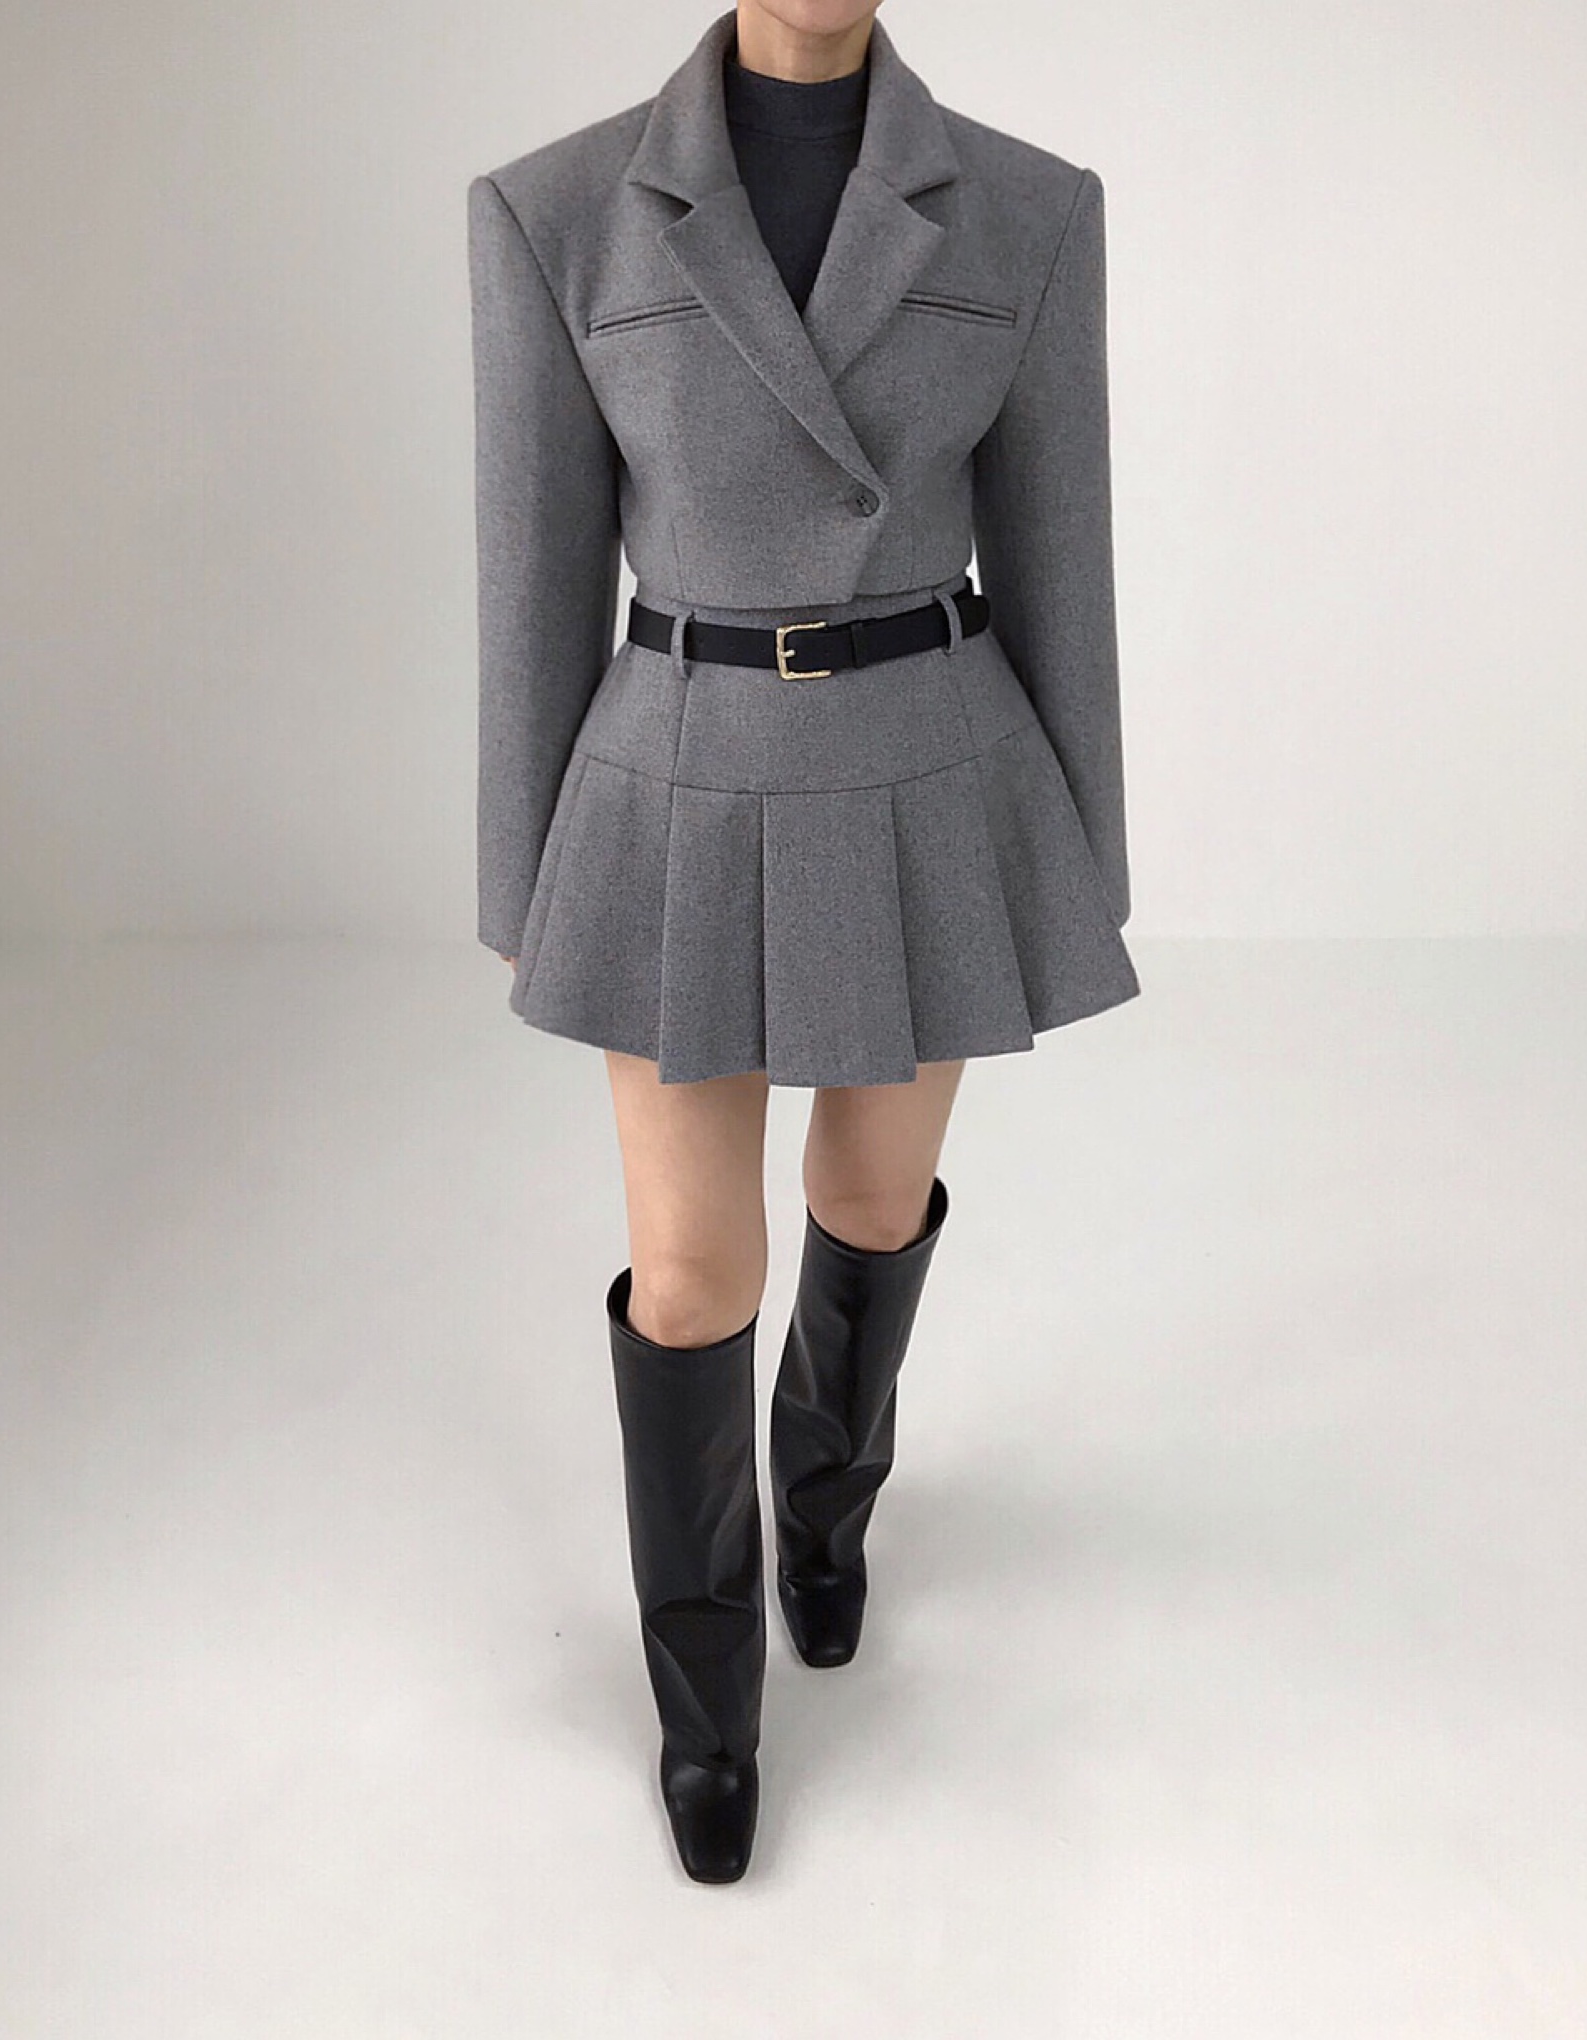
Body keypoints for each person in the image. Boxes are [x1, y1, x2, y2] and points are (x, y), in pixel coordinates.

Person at [466, 1, 1139, 1882]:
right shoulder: (557, 211)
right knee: (690, 1273)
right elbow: (535, 571)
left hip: (929, 768)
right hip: (676, 784)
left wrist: (1075, 852)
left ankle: (826, 1508)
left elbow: (1060, 550)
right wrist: (531, 883)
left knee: (869, 1200)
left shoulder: (1027, 208)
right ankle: (707, 1702)